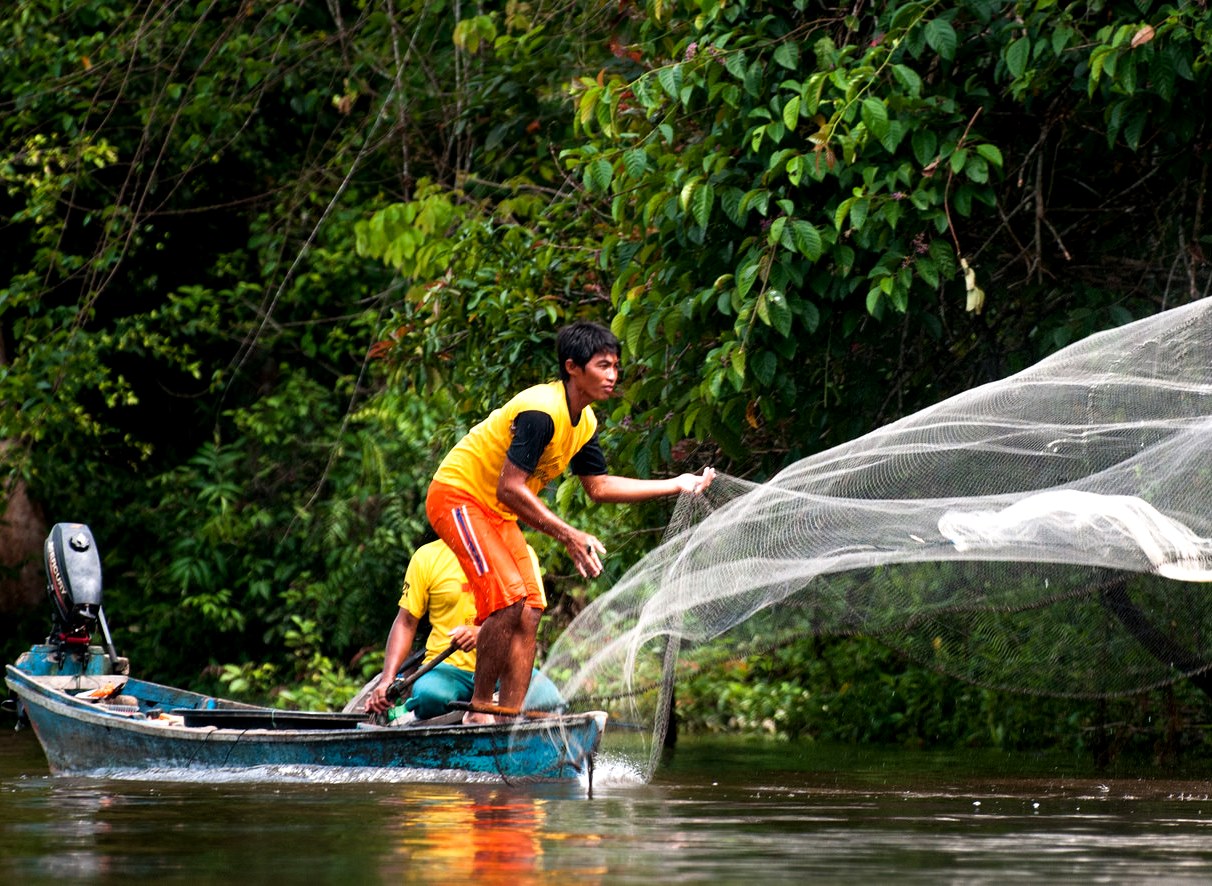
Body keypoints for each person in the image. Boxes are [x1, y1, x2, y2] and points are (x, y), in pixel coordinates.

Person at [426, 320, 716, 723]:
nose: (613, 376)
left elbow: (598, 486)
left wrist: (675, 484)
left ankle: (507, 717)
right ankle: (479, 712)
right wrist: (568, 534)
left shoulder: (586, 421)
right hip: (458, 498)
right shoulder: (540, 412)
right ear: (572, 368)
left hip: (497, 511)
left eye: (616, 366)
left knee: (530, 607)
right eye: (602, 366)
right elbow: (510, 487)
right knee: (507, 600)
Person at [364, 538, 563, 721]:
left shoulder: (522, 555)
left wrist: (485, 635)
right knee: (430, 698)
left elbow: (527, 622)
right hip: (448, 669)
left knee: (548, 700)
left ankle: (487, 709)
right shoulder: (427, 556)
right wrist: (387, 679)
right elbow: (406, 622)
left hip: (505, 670)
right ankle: (407, 713)